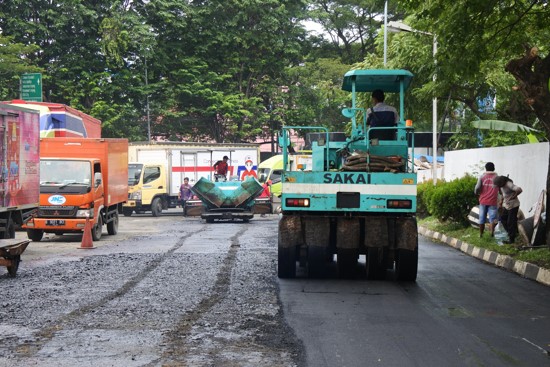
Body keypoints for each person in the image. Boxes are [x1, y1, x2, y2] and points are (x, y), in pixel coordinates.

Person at [494, 175, 522, 244]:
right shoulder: (502, 186)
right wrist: (500, 202)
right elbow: (503, 194)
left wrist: (514, 196)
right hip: (507, 205)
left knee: (510, 222)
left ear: (501, 183)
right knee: (503, 218)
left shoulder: (508, 184)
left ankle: (512, 239)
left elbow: (519, 189)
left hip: (513, 205)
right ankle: (513, 233)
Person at [474, 162, 499, 237]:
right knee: (493, 219)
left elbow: (477, 188)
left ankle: (481, 234)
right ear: (494, 168)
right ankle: (492, 233)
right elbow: (500, 189)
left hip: (483, 200)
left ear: (486, 168)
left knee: (481, 218)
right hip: (493, 201)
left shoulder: (482, 177)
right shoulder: (497, 177)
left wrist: (476, 193)